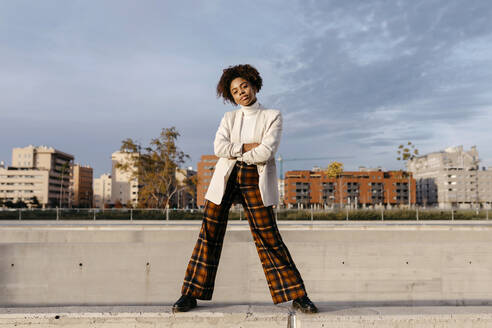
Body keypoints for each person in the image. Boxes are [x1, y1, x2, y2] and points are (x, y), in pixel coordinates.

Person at [172, 64, 317, 314]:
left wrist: (239, 150)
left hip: (255, 179)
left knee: (268, 235)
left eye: (244, 86)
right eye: (235, 91)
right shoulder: (229, 118)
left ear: (253, 84)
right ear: (231, 96)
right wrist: (247, 147)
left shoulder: (272, 115)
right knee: (209, 232)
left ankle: (298, 295)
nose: (242, 93)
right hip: (226, 176)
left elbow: (267, 151)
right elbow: (219, 148)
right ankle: (190, 294)